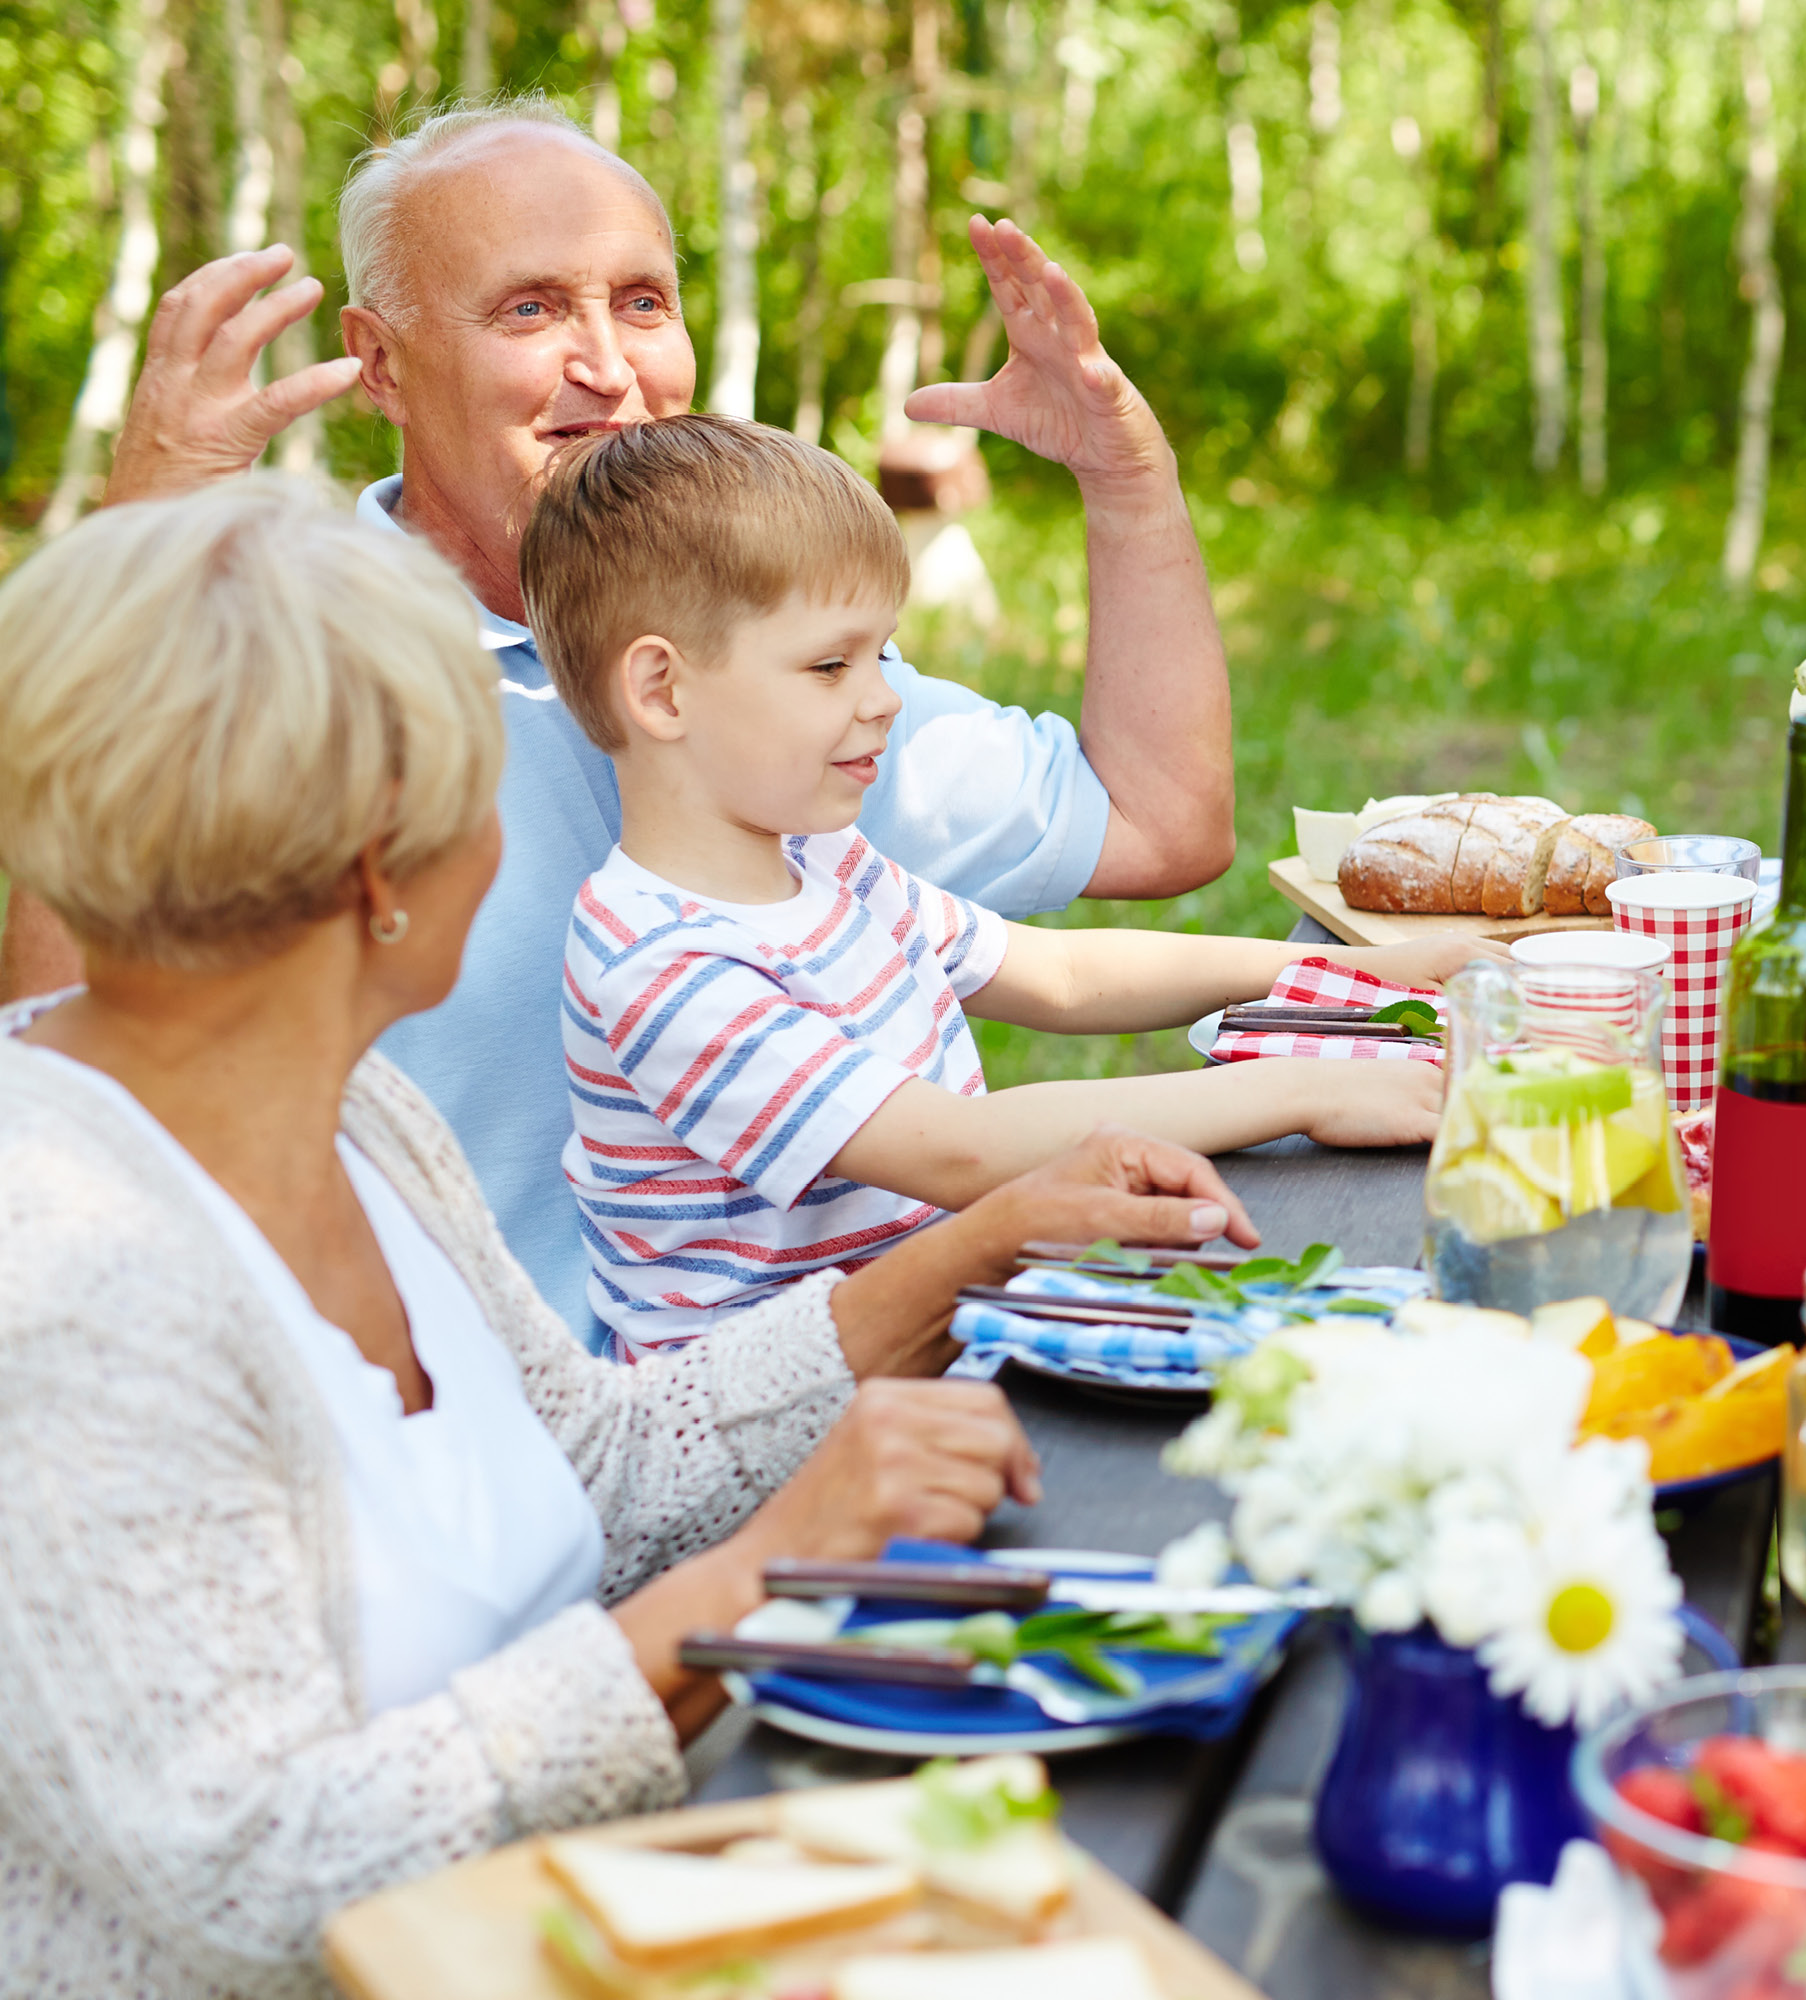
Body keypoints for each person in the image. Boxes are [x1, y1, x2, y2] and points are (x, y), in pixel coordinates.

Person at [0, 481, 1259, 1996]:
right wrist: (748, 1583)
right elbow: (263, 1874)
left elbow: (593, 1462)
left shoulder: (358, 1122)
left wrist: (959, 1256)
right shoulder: (64, 1267)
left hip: (578, 1915)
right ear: (379, 879)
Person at [0, 97, 1244, 1346]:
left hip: (840, 1393)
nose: (611, 366)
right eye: (531, 309)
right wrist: (138, 562)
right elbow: (52, 1095)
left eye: (643, 302)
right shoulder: (294, 667)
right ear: (379, 362)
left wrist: (1126, 478)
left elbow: (1158, 824)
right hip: (488, 1464)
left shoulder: (771, 659)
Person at [532, 415, 1472, 1350]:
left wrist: (1352, 980)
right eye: (830, 665)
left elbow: (1054, 974)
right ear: (662, 691)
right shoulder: (661, 964)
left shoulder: (820, 862)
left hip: (931, 1346)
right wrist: (1303, 1091)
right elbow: (959, 1150)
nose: (884, 698)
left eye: (882, 655)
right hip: (787, 1437)